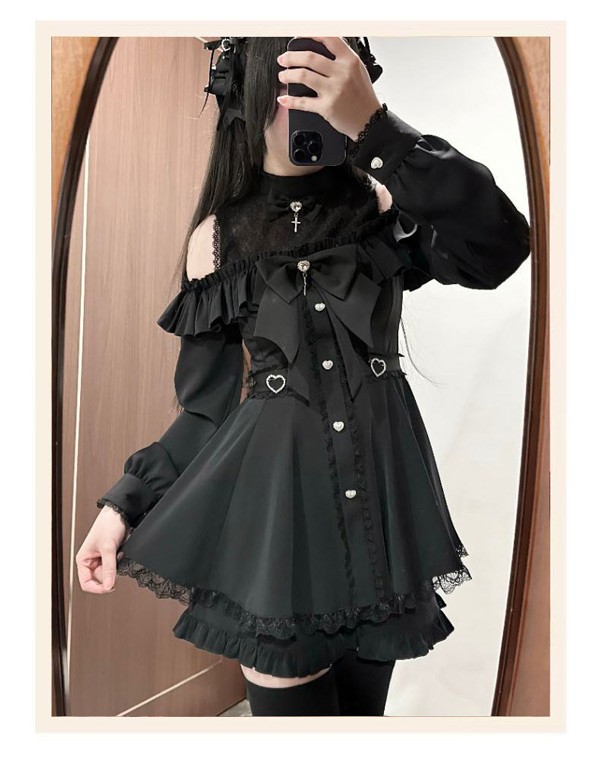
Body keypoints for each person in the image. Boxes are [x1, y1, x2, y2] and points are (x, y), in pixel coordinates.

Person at [76, 36, 531, 717]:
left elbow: (499, 246)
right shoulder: (216, 241)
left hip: (382, 523)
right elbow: (204, 412)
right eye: (295, 83)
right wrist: (122, 507)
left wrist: (379, 132)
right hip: (278, 532)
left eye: (327, 80)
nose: (311, 103)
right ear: (251, 93)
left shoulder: (384, 205)